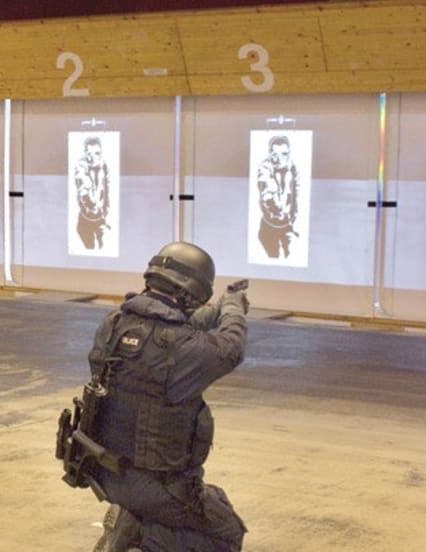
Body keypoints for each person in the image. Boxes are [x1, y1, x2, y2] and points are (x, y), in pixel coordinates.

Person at [81, 242, 249, 551]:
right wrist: (234, 308)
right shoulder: (185, 350)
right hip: (159, 487)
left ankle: (130, 517)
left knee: (216, 498)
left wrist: (220, 308)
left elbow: (166, 329)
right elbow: (232, 347)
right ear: (193, 292)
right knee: (227, 533)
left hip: (107, 472)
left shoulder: (113, 325)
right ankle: (137, 535)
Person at [256, 135, 299, 259]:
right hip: (269, 225)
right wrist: (273, 208)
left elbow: (296, 192)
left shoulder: (293, 168)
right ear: (269, 154)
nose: (280, 159)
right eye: (275, 154)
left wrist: (293, 216)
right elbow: (266, 190)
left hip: (288, 224)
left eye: (284, 154)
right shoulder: (264, 167)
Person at [74, 135, 111, 250]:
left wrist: (105, 211)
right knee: (90, 248)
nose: (94, 158)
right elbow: (83, 190)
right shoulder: (81, 167)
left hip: (100, 217)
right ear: (85, 154)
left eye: (97, 153)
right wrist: (91, 205)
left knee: (105, 247)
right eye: (89, 154)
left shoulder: (104, 166)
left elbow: (107, 189)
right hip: (86, 219)